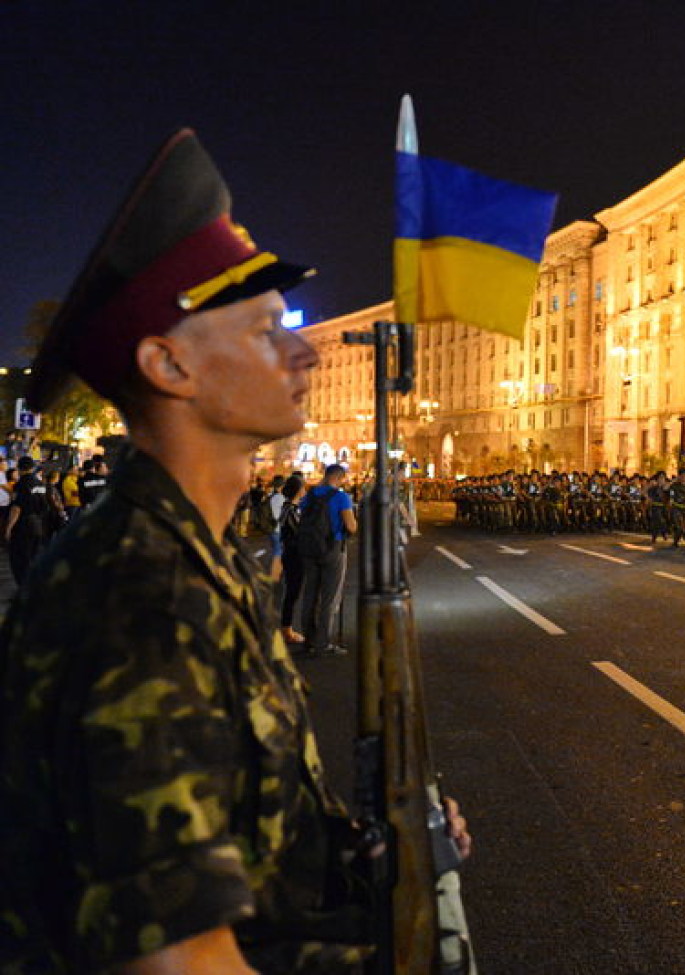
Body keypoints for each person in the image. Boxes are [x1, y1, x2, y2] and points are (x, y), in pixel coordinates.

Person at [0, 129, 468, 974]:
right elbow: (179, 958)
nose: (304, 351)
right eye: (262, 331)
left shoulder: (202, 558)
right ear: (169, 364)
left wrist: (367, 845)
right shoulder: (135, 596)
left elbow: (240, 827)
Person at [298, 463, 357, 657]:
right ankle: (323, 643)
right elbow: (351, 526)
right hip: (332, 549)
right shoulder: (341, 497)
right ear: (339, 478)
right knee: (329, 597)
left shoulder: (309, 496)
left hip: (309, 549)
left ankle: (309, 640)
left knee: (310, 595)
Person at [4, 456, 54, 585]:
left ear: (19, 469)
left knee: (20, 559)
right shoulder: (40, 483)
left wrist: (9, 528)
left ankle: (24, 588)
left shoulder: (20, 485)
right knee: (34, 556)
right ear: (32, 468)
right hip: (38, 524)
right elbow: (46, 505)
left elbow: (17, 508)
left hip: (23, 526)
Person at [278, 473, 308, 645]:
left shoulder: (289, 508)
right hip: (293, 555)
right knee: (292, 592)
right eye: (303, 487)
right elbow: (296, 532)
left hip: (291, 554)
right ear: (298, 490)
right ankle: (286, 630)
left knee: (292, 591)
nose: (304, 490)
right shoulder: (290, 509)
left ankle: (287, 628)